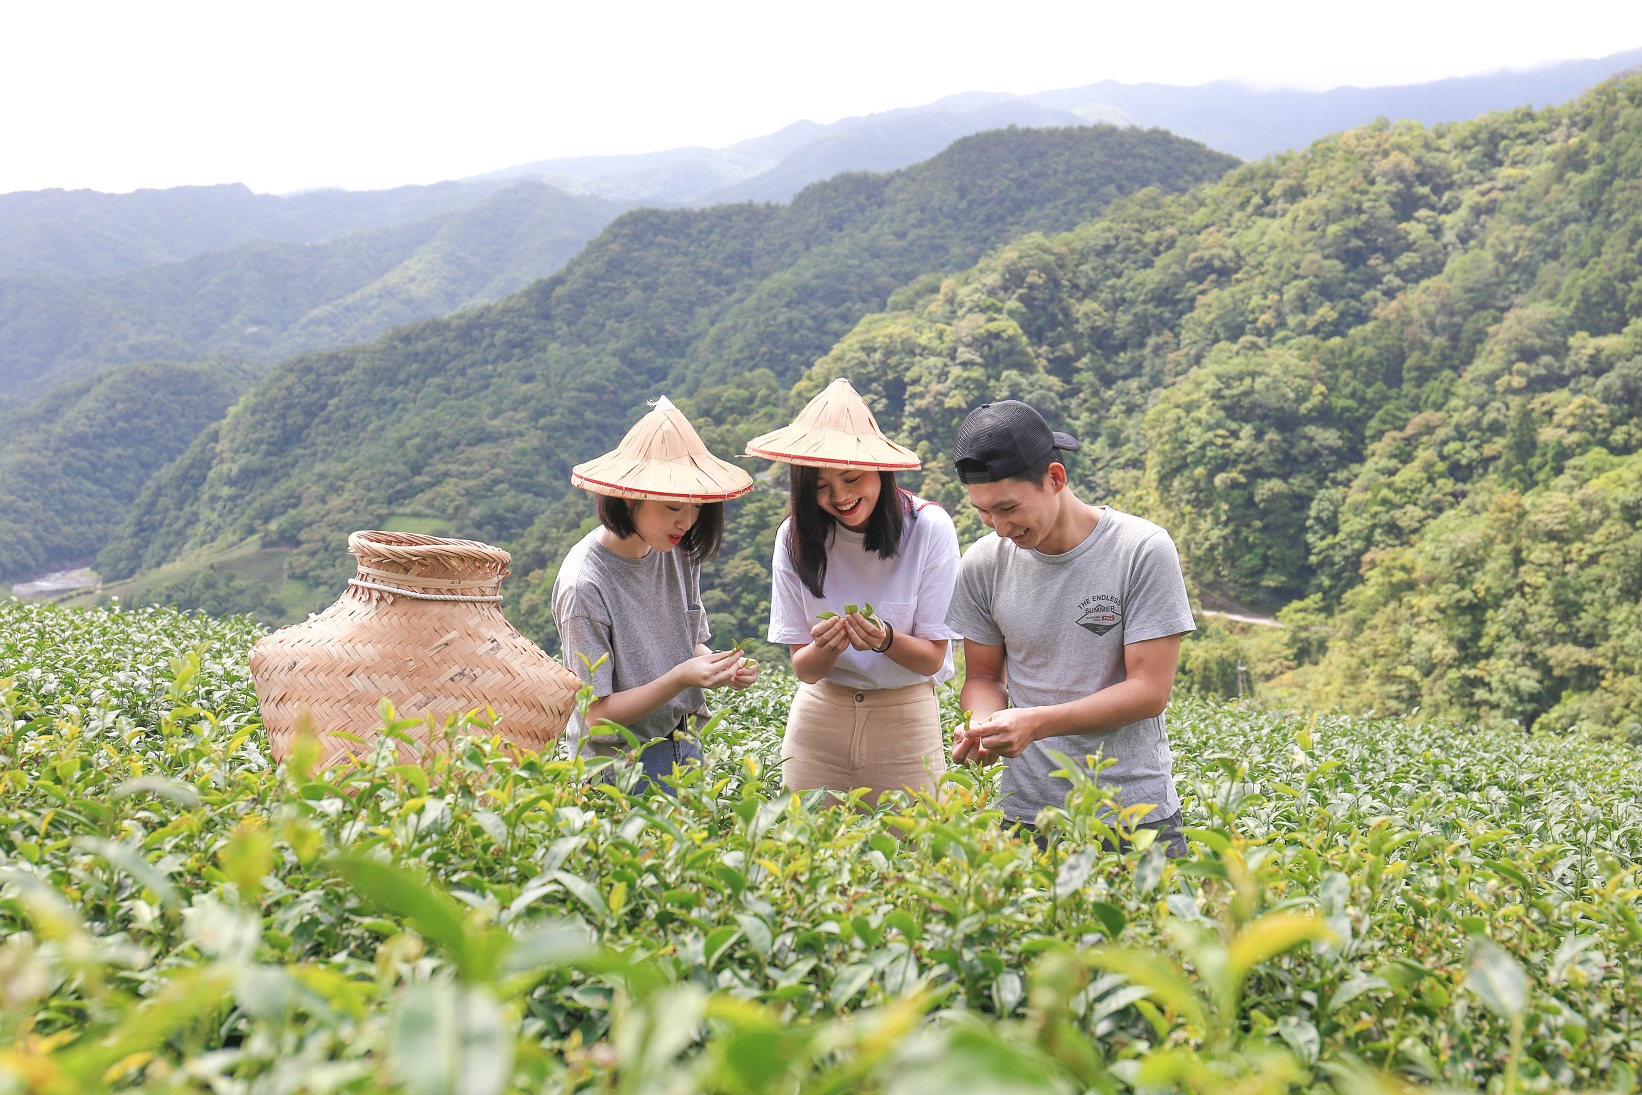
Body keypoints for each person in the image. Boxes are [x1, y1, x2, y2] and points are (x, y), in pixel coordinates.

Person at [942, 399, 1196, 855]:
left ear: (1055, 478)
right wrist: (980, 724)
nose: (999, 527)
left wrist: (1036, 723)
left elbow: (1149, 689)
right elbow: (983, 677)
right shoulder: (983, 563)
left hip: (1132, 815)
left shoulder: (1141, 549)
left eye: (1008, 508)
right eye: (983, 512)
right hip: (1025, 814)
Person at [745, 378, 961, 805]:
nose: (840, 497)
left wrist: (886, 640)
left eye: (851, 478)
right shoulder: (795, 537)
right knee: (803, 858)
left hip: (906, 721)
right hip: (818, 723)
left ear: (880, 471)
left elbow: (933, 657)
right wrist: (826, 648)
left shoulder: (929, 528)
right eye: (821, 487)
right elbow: (805, 669)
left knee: (912, 859)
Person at [552, 396, 758, 792]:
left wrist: (720, 666)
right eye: (671, 506)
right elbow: (594, 715)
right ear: (629, 496)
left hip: (684, 746)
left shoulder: (677, 549)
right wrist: (681, 677)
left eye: (696, 507)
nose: (687, 521)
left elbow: (690, 642)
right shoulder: (585, 584)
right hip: (618, 769)